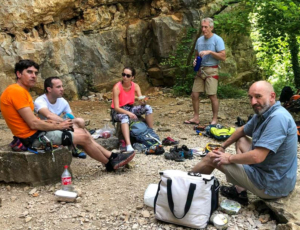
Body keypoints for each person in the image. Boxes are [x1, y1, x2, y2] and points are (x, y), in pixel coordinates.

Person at [0, 59, 135, 171]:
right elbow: (33, 123)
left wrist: (57, 124)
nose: (34, 76)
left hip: (35, 132)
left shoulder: (20, 92)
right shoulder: (16, 92)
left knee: (81, 131)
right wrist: (59, 125)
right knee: (82, 137)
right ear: (18, 74)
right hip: (33, 137)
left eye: (35, 73)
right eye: (29, 72)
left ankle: (112, 157)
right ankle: (110, 162)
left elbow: (33, 121)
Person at [192, 81, 297, 205]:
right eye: (250, 97)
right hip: (273, 173)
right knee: (241, 139)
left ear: (272, 96)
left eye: (258, 96)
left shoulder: (278, 118)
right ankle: (240, 192)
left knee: (212, 158)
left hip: (272, 184)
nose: (253, 102)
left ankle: (184, 188)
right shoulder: (264, 112)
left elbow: (257, 157)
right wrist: (222, 147)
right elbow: (242, 130)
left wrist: (229, 158)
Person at [184, 17, 226, 125]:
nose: (203, 29)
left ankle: (215, 119)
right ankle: (196, 117)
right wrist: (195, 62)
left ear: (211, 27)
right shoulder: (199, 40)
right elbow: (196, 55)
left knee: (212, 95)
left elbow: (223, 56)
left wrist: (210, 52)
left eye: (206, 27)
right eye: (202, 27)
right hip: (200, 70)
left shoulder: (217, 39)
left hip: (212, 70)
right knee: (194, 94)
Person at [34, 77, 87, 159]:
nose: (62, 89)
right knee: (71, 125)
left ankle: (74, 148)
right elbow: (49, 115)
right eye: (58, 87)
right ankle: (72, 145)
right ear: (49, 89)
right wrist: (64, 122)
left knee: (80, 121)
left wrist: (69, 122)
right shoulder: (40, 101)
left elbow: (71, 116)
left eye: (62, 86)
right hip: (46, 129)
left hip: (60, 125)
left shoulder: (62, 101)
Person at [111, 67, 153, 152]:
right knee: (125, 117)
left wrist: (143, 102)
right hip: (118, 111)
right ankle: (128, 144)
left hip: (130, 107)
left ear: (132, 77)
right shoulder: (117, 87)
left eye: (128, 75)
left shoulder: (135, 86)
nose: (125, 77)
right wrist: (129, 113)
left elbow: (141, 100)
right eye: (123, 75)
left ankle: (151, 131)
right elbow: (116, 107)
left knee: (148, 108)